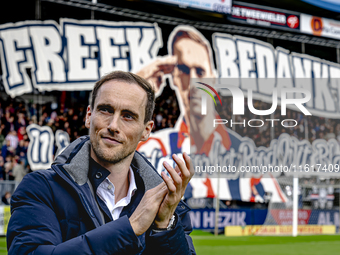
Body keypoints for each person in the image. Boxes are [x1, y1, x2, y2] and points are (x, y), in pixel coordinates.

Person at [7, 71, 195, 254]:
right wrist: (130, 227)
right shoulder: (40, 188)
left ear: (146, 130)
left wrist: (164, 228)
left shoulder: (168, 206)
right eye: (106, 110)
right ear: (89, 116)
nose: (113, 125)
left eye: (128, 116)